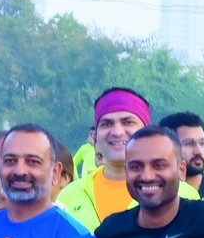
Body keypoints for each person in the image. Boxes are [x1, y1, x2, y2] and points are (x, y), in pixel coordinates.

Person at [55, 87, 155, 227]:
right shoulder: (70, 195)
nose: (117, 132)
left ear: (148, 131)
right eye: (106, 124)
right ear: (96, 136)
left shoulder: (177, 193)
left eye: (128, 122)